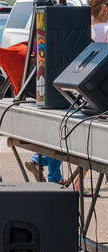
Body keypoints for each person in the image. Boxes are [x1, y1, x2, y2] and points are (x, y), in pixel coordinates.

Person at [73, 0, 108, 195]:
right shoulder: (105, 29)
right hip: (103, 90)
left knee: (91, 141)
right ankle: (78, 181)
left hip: (87, 88)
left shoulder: (84, 29)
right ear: (103, 8)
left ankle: (79, 181)